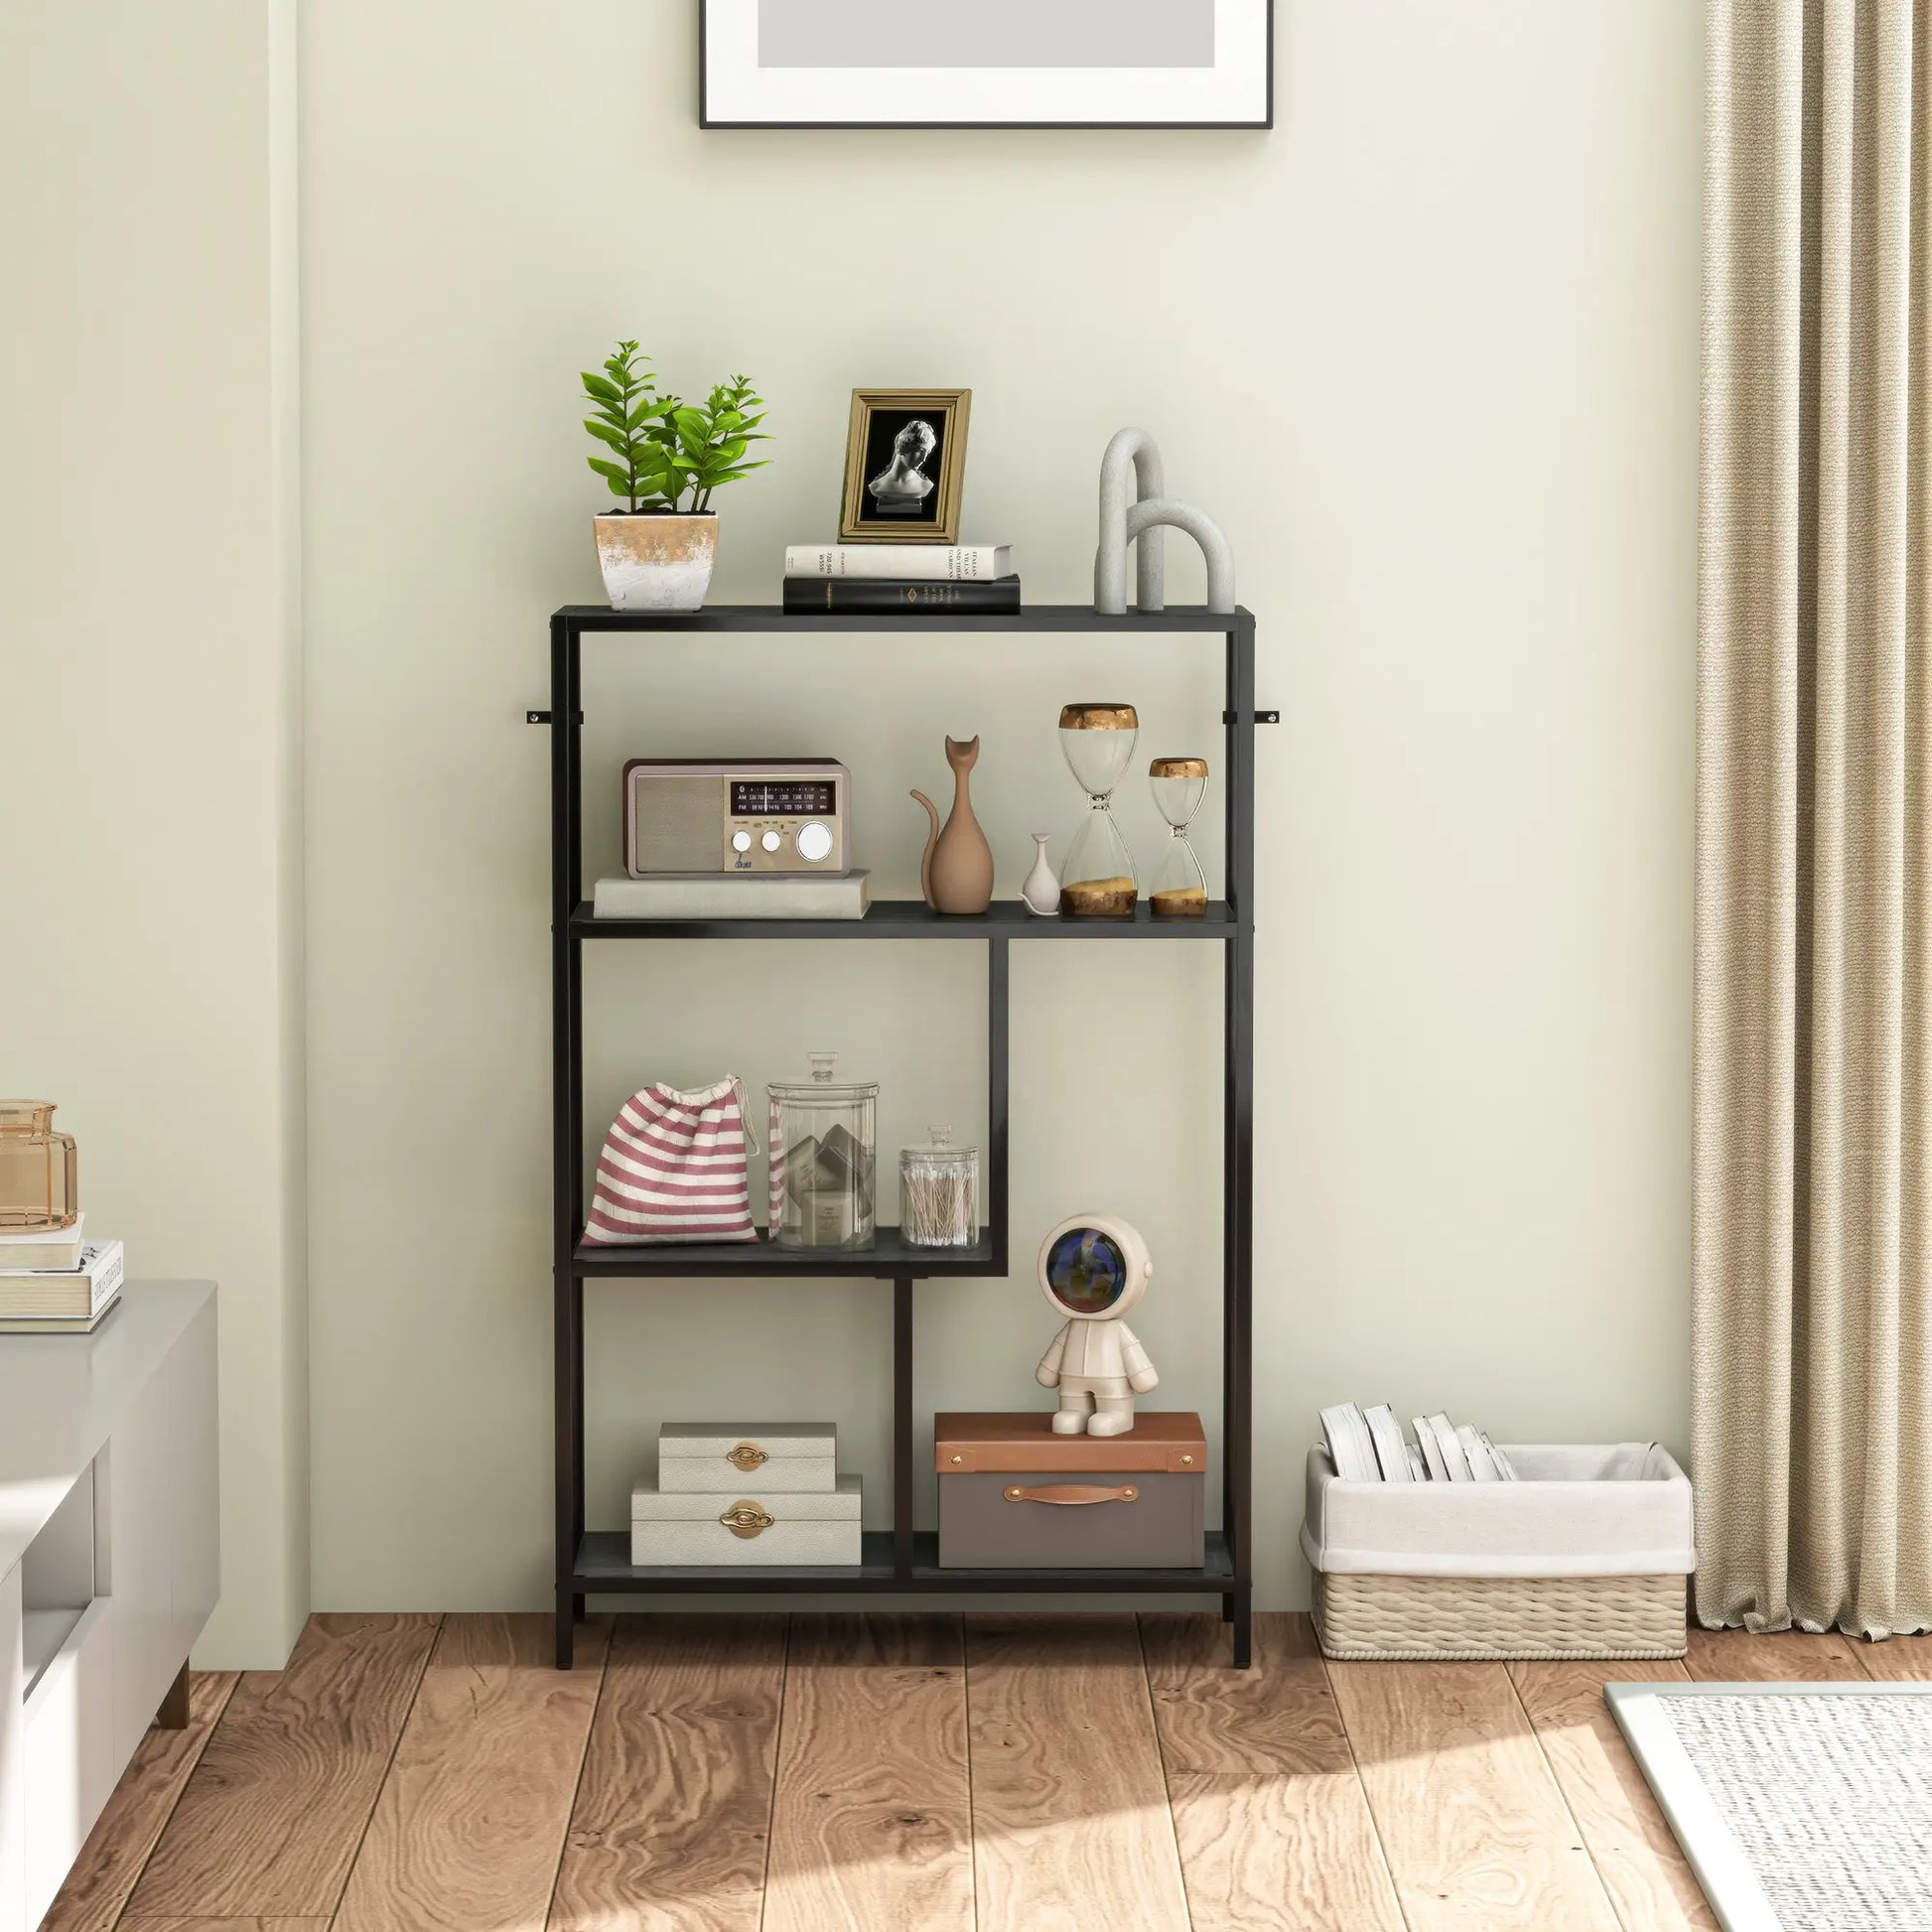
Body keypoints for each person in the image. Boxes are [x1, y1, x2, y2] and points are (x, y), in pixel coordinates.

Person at [868, 418, 937, 512]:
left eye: (927, 452)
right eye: (920, 451)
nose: (924, 459)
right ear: (902, 445)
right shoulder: (877, 486)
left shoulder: (925, 486)